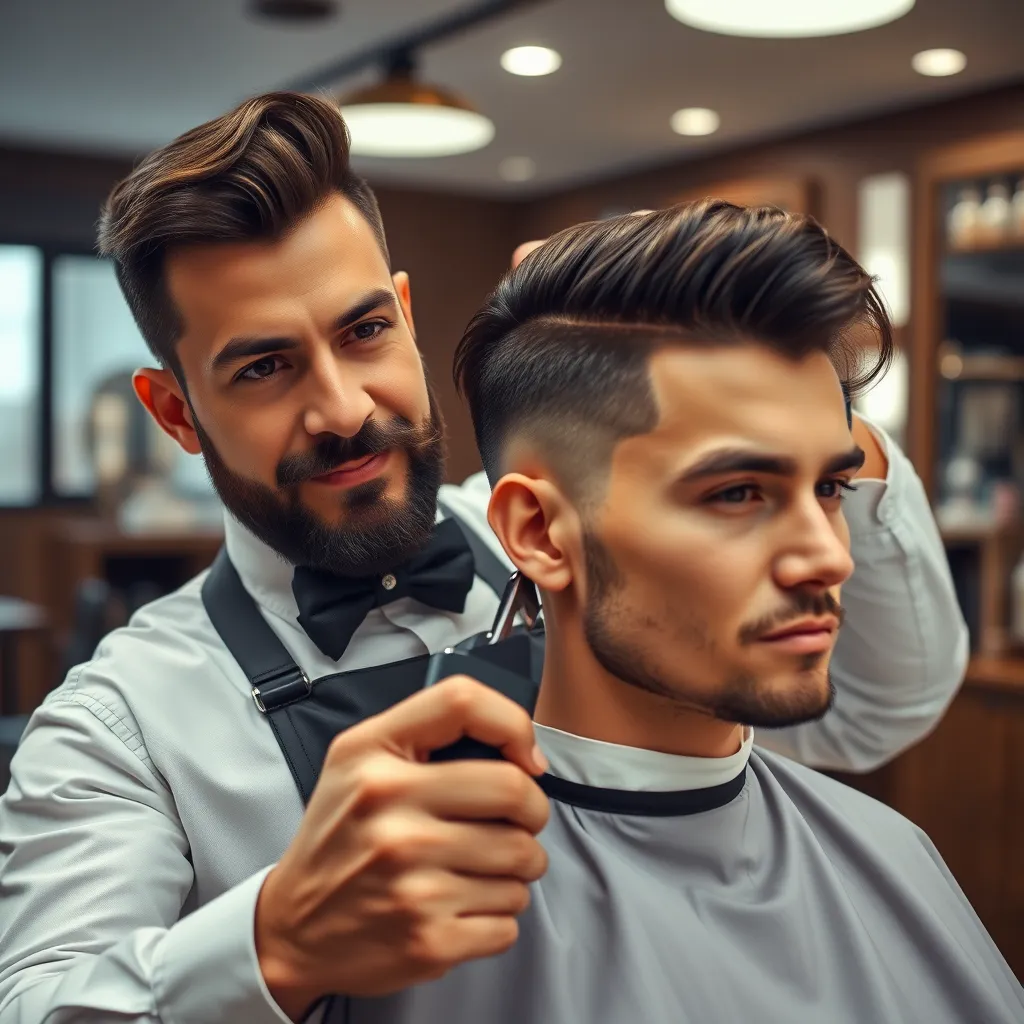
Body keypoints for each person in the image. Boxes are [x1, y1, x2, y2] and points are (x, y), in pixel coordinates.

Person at [0, 92, 965, 1022]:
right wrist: (276, 942)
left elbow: (876, 704)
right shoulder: (122, 727)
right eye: (263, 367)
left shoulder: (582, 541)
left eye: (364, 330)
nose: (342, 408)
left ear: (406, 316)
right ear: (175, 412)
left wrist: (768, 396)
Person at [342, 200, 1022, 1023]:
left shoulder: (894, 855)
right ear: (540, 534)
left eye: (831, 487)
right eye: (738, 493)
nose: (832, 556)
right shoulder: (415, 929)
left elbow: (896, 693)